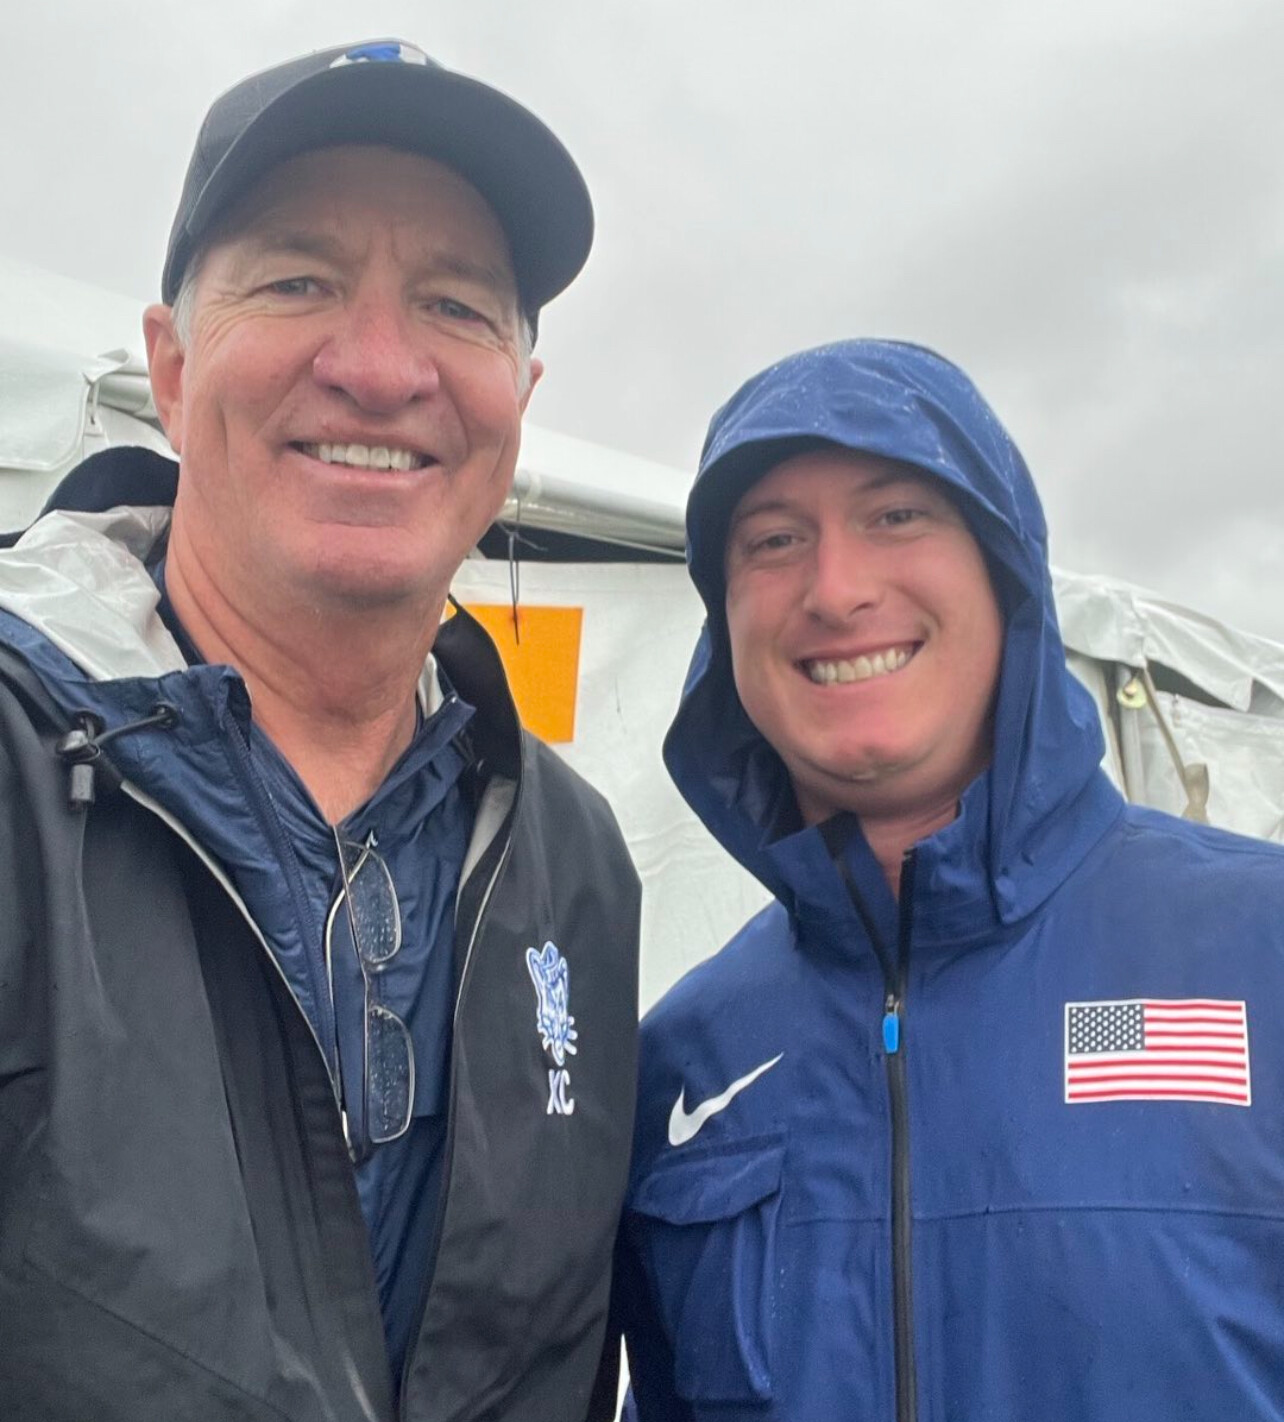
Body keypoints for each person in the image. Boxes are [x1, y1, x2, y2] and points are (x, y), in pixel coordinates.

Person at [0, 40, 639, 1422]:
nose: (381, 367)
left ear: (520, 404)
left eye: (456, 305)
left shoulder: (573, 862)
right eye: (298, 280)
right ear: (173, 369)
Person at [613, 339, 1284, 1421]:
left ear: (1005, 571)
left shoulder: (1259, 949)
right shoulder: (685, 1064)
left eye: (896, 515)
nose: (837, 590)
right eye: (774, 540)